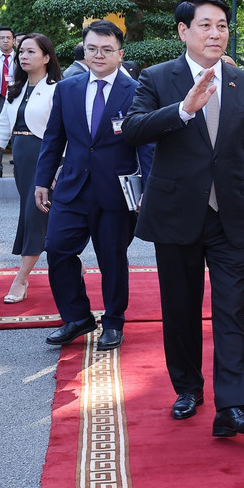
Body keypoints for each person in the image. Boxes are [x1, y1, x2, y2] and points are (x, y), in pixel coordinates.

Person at [121, 0, 244, 438]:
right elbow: (132, 129)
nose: (215, 33)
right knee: (180, 309)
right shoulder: (155, 77)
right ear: (183, 31)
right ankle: (187, 388)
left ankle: (234, 406)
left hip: (233, 216)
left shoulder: (242, 82)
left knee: (232, 310)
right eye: (205, 25)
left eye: (222, 25)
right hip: (176, 213)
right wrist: (184, 109)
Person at [35, 20, 153, 350]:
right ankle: (77, 317)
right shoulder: (67, 89)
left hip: (115, 192)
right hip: (71, 188)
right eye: (91, 49)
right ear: (83, 51)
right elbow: (54, 138)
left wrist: (149, 190)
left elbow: (146, 146)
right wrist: (42, 180)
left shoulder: (137, 92)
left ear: (120, 53)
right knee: (57, 248)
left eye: (106, 49)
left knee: (112, 259)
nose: (98, 55)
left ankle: (114, 321)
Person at [0, 34, 62, 303]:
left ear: (46, 57)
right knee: (43, 215)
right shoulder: (16, 87)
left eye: (30, 52)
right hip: (22, 158)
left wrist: (60, 166)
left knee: (35, 216)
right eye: (21, 52)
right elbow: (2, 127)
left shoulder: (58, 88)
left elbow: (65, 131)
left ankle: (20, 279)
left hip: (45, 156)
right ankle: (73, 261)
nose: (23, 56)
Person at [0, 26, 16, 177]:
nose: (5, 40)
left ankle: (19, 168)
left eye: (8, 38)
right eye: (2, 38)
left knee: (17, 134)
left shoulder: (22, 57)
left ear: (14, 40)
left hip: (16, 99)